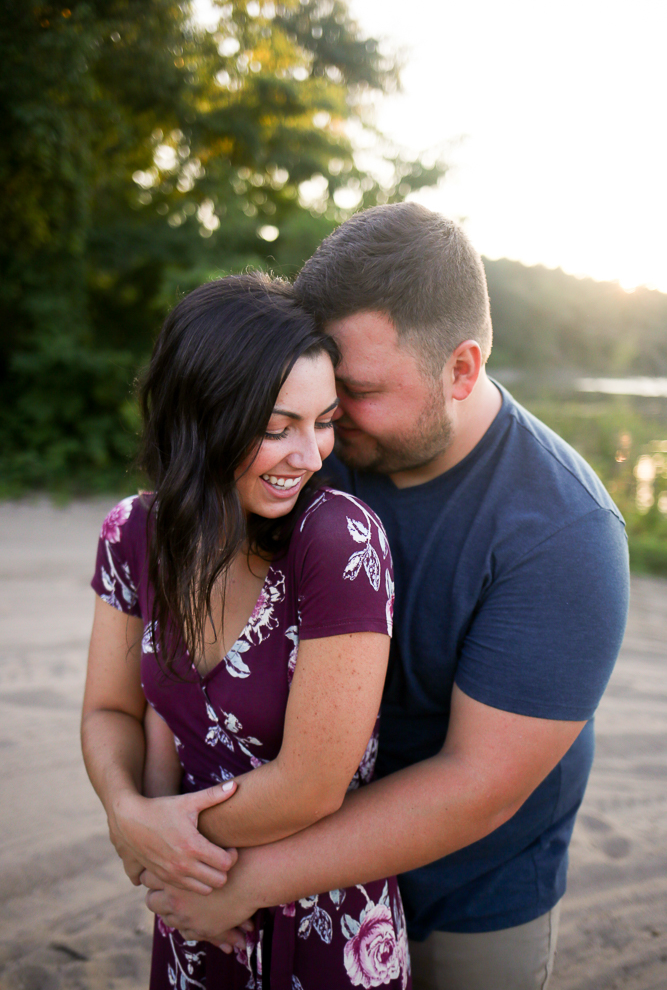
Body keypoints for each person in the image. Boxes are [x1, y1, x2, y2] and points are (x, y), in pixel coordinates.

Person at [142, 205, 630, 990]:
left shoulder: (562, 533)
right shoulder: (311, 450)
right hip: (273, 853)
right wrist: (152, 818)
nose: (326, 423)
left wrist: (228, 870)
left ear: (461, 369)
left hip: (466, 899)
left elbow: (476, 786)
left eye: (356, 392)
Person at [81, 274, 411, 990]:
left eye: (322, 420)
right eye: (275, 427)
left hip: (318, 915)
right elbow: (111, 710)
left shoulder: (339, 540)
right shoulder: (132, 533)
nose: (311, 452)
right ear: (201, 416)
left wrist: (165, 847)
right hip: (193, 916)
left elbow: (311, 788)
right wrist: (126, 810)